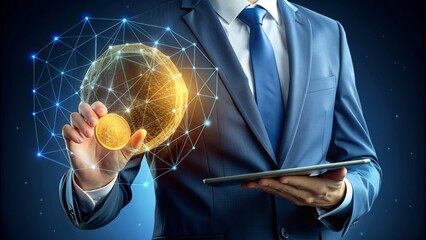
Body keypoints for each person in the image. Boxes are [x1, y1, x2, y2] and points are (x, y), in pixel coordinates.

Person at [60, 0, 382, 239]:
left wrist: (342, 195)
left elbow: (363, 163)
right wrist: (95, 183)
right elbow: (110, 191)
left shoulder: (327, 33)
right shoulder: (152, 36)